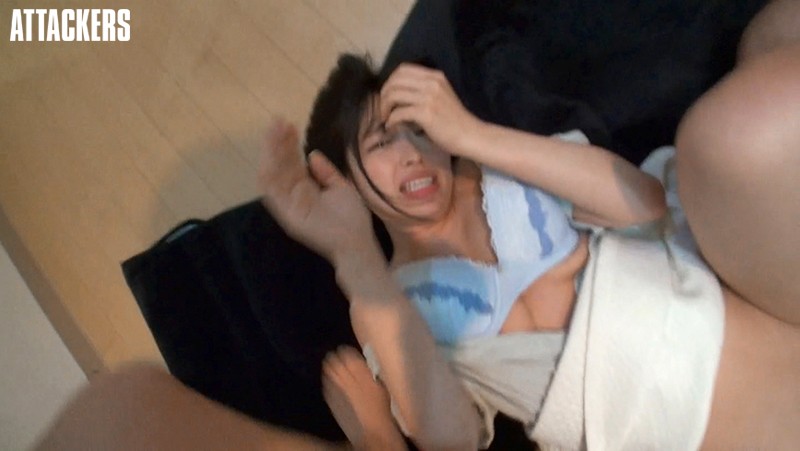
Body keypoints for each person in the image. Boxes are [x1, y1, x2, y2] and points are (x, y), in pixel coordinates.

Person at [35, 3, 800, 449]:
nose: (412, 155)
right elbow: (453, 437)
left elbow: (644, 202)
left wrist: (472, 134)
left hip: (737, 300)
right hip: (670, 423)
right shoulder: (395, 307)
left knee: (760, 78)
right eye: (381, 142)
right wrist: (354, 259)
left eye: (418, 132)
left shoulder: (512, 170)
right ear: (348, 181)